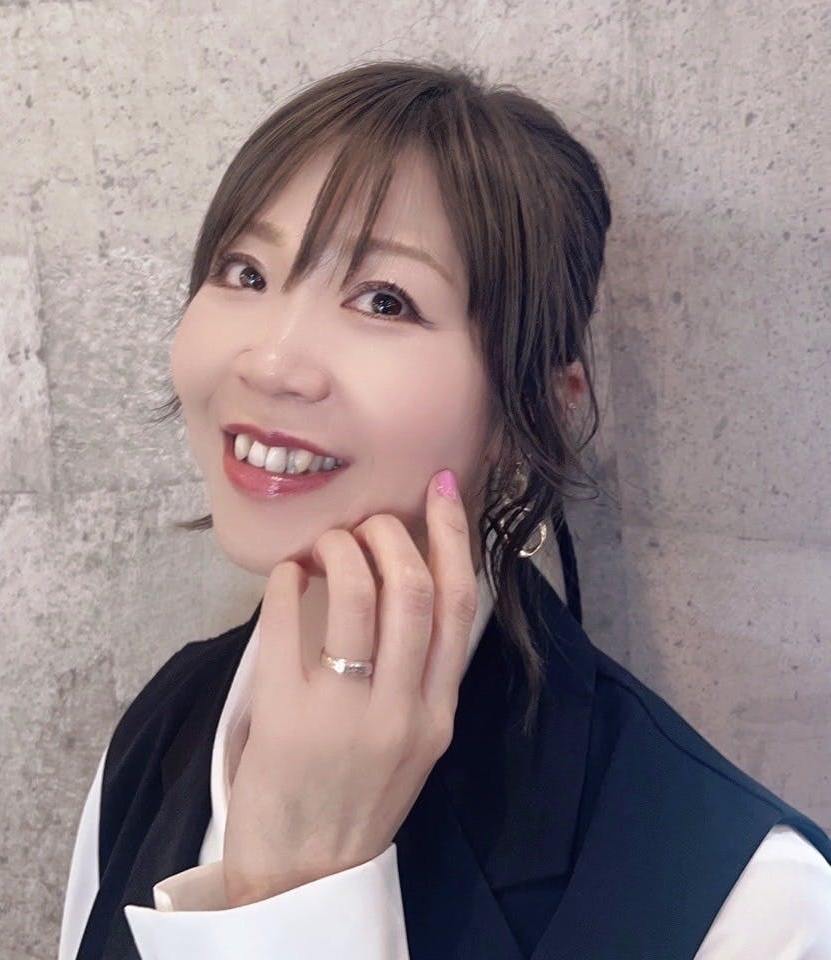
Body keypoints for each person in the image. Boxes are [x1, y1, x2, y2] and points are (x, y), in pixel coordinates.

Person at [57, 59, 831, 960]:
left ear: (535, 410)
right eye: (246, 271)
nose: (269, 363)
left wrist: (292, 896)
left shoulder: (747, 901)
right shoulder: (158, 732)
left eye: (384, 300)